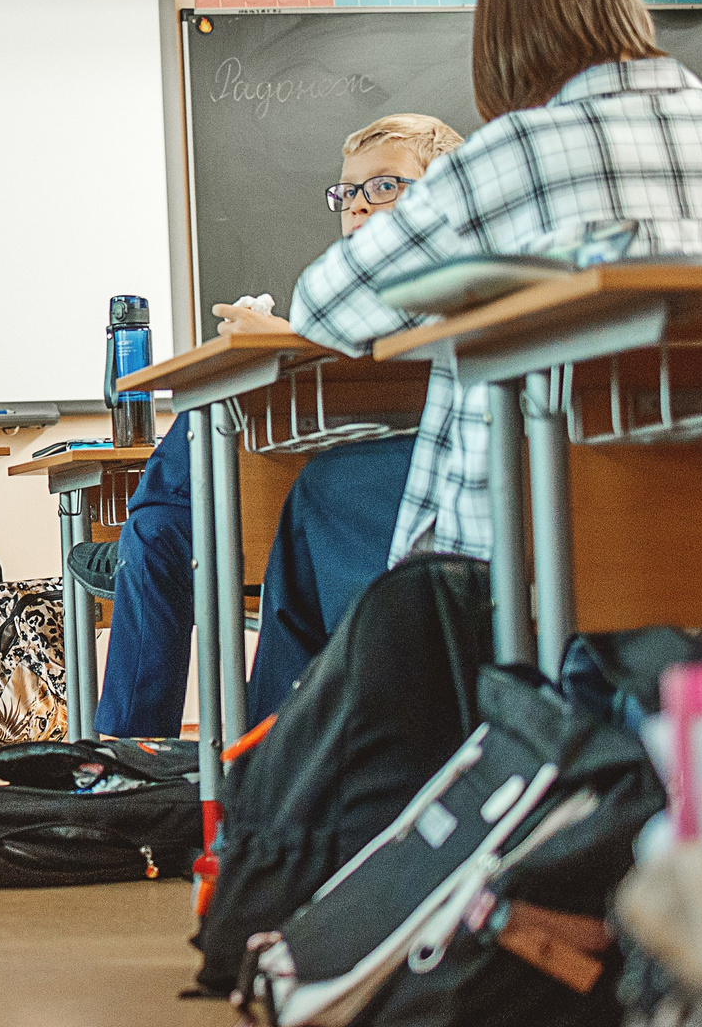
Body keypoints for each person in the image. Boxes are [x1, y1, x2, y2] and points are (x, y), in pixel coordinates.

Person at [278, 0, 702, 566]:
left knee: (323, 503)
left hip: (542, 541)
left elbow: (324, 311)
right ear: (629, 11)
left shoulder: (512, 155)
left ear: (500, 51)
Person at [88, 113, 463, 737]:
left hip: (367, 522)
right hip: (319, 521)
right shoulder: (345, 308)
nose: (359, 208)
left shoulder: (445, 286)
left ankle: (130, 751)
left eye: (386, 186)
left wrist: (277, 340)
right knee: (161, 521)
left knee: (161, 516)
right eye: (347, 193)